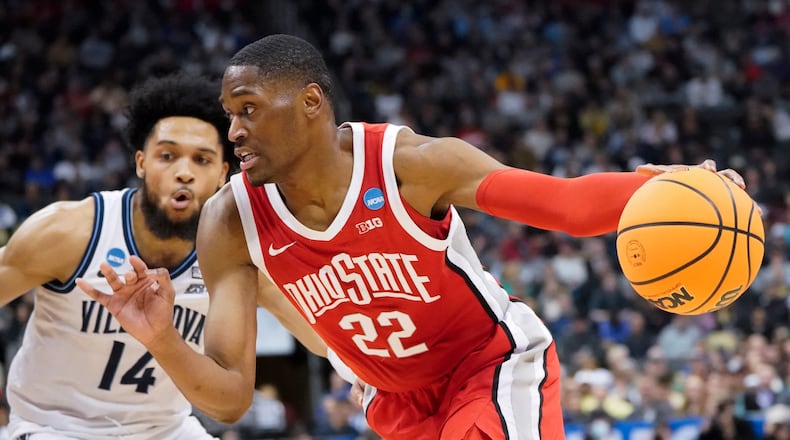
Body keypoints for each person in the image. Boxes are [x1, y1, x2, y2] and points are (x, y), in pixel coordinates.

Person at [78, 34, 746, 440]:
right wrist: (162, 338)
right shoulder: (229, 221)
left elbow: (565, 206)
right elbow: (228, 396)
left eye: (248, 110)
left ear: (310, 103)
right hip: (394, 405)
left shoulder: (411, 166)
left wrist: (675, 188)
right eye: (229, 116)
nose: (234, 133)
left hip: (486, 368)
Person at [0, 73, 321, 440]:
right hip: (54, 428)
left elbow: (325, 337)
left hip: (165, 430)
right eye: (167, 156)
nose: (183, 172)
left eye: (201, 160)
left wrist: (364, 374)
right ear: (141, 162)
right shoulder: (67, 232)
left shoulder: (235, 257)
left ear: (221, 175)